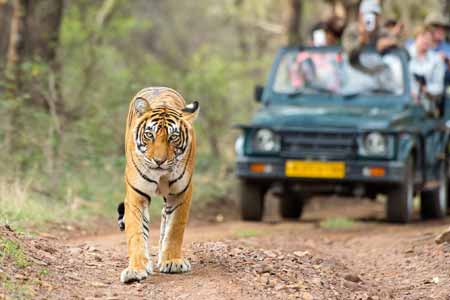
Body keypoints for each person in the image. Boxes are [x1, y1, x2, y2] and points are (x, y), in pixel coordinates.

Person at [408, 25, 446, 115]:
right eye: (423, 37)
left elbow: (439, 87)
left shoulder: (436, 60)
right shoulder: (405, 55)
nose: (425, 41)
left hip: (426, 105)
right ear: (416, 37)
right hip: (406, 103)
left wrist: (426, 89)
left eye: (429, 38)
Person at [425, 12, 450, 84]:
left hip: (441, 88)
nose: (441, 31)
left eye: (444, 28)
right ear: (428, 29)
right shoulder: (416, 44)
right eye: (437, 28)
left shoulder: (447, 48)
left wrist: (447, 61)